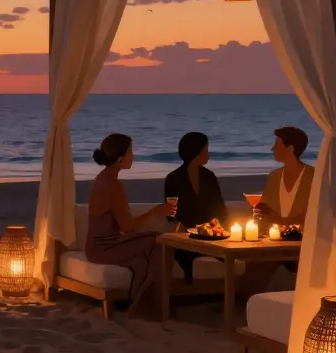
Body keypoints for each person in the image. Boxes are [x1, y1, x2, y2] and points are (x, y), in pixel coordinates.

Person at [86, 133, 172, 318]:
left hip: (99, 246)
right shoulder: (113, 186)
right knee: (161, 241)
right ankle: (146, 306)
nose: (133, 156)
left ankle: (141, 303)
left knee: (142, 260)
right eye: (131, 152)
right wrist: (154, 212)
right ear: (120, 158)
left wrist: (139, 240)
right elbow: (127, 228)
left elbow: (126, 229)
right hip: (105, 248)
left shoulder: (102, 178)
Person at [163, 132, 229, 283]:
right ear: (196, 151)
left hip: (211, 235)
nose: (208, 154)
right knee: (183, 251)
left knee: (224, 248)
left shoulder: (209, 176)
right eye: (205, 150)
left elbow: (220, 209)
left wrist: (216, 223)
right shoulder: (174, 178)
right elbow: (171, 215)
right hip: (187, 235)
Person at [254, 126, 315, 225]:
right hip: (276, 237)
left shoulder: (313, 176)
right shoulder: (274, 176)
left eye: (277, 144)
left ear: (290, 149)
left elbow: (316, 213)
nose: (272, 148)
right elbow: (264, 210)